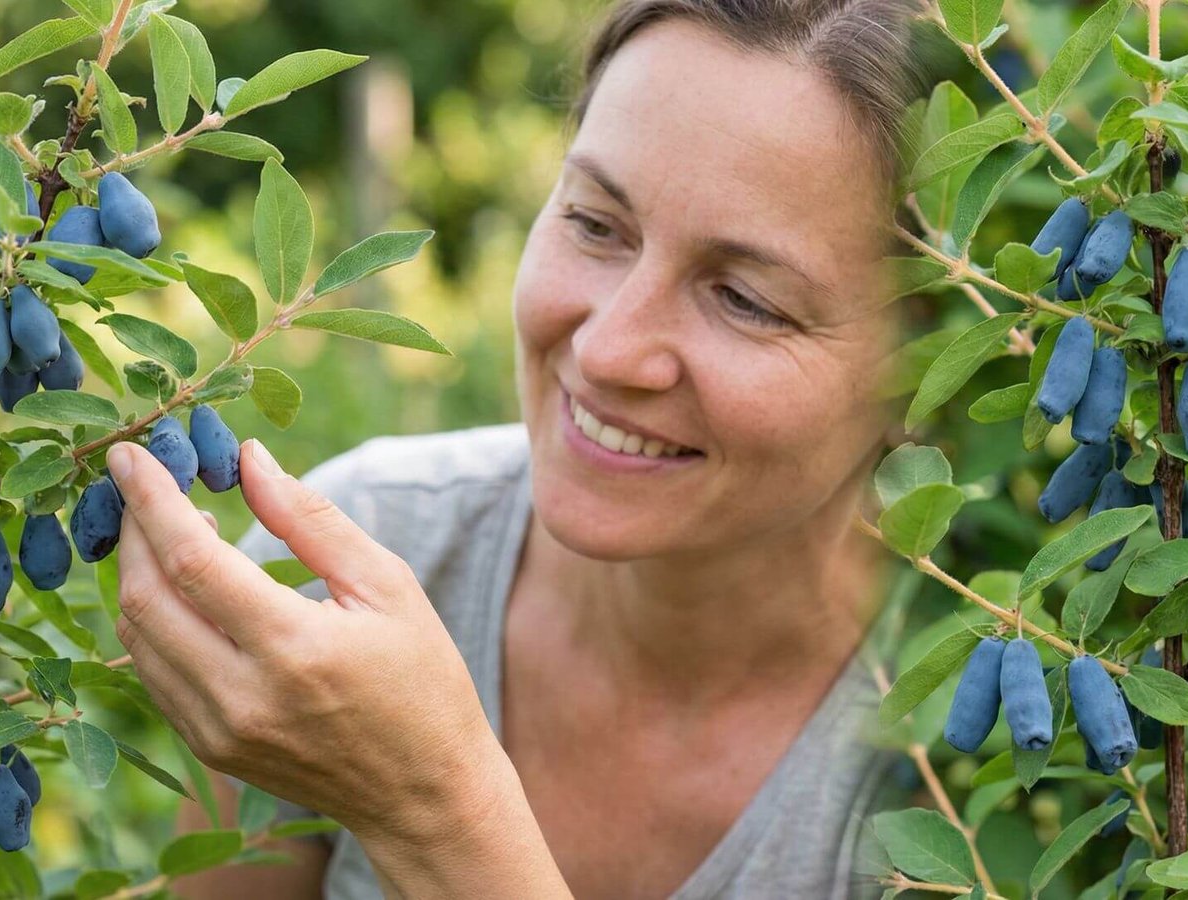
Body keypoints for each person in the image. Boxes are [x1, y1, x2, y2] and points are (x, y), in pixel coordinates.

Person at [107, 0, 927, 896]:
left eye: (746, 299)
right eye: (595, 223)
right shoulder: (368, 558)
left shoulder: (987, 766)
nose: (608, 350)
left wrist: (436, 813)